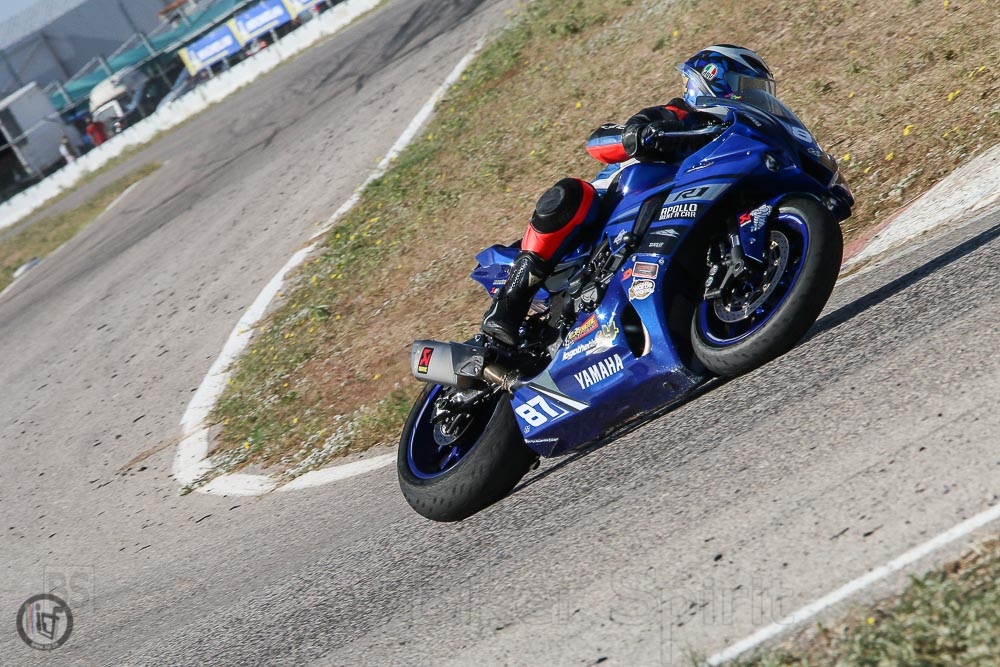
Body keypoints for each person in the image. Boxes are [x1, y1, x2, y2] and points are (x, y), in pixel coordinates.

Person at [481, 44, 777, 346]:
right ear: (712, 79)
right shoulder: (678, 116)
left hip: (685, 215)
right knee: (571, 192)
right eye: (747, 88)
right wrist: (638, 135)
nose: (755, 99)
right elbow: (599, 142)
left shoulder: (736, 139)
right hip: (612, 212)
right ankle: (509, 304)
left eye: (761, 93)